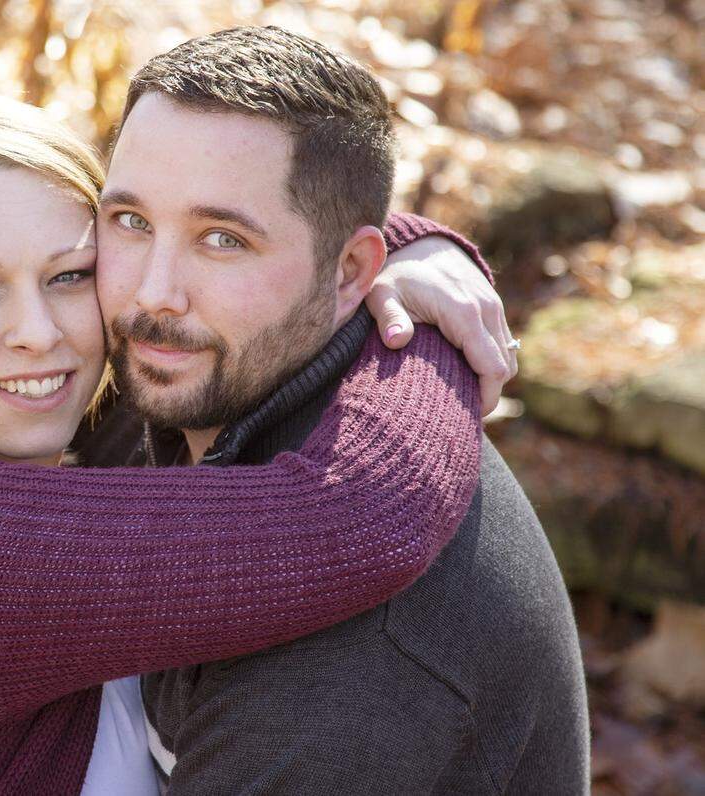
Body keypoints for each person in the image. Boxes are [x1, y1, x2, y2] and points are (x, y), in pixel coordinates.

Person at [0, 86, 500, 794]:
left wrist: (399, 249)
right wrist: (430, 334)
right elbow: (361, 514)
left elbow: (228, 262)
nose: (38, 334)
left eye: (69, 275)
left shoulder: (0, 428)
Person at [80, 26, 588, 794]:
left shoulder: (343, 682)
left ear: (351, 271)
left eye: (222, 240)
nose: (153, 291)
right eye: (131, 221)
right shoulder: (171, 375)